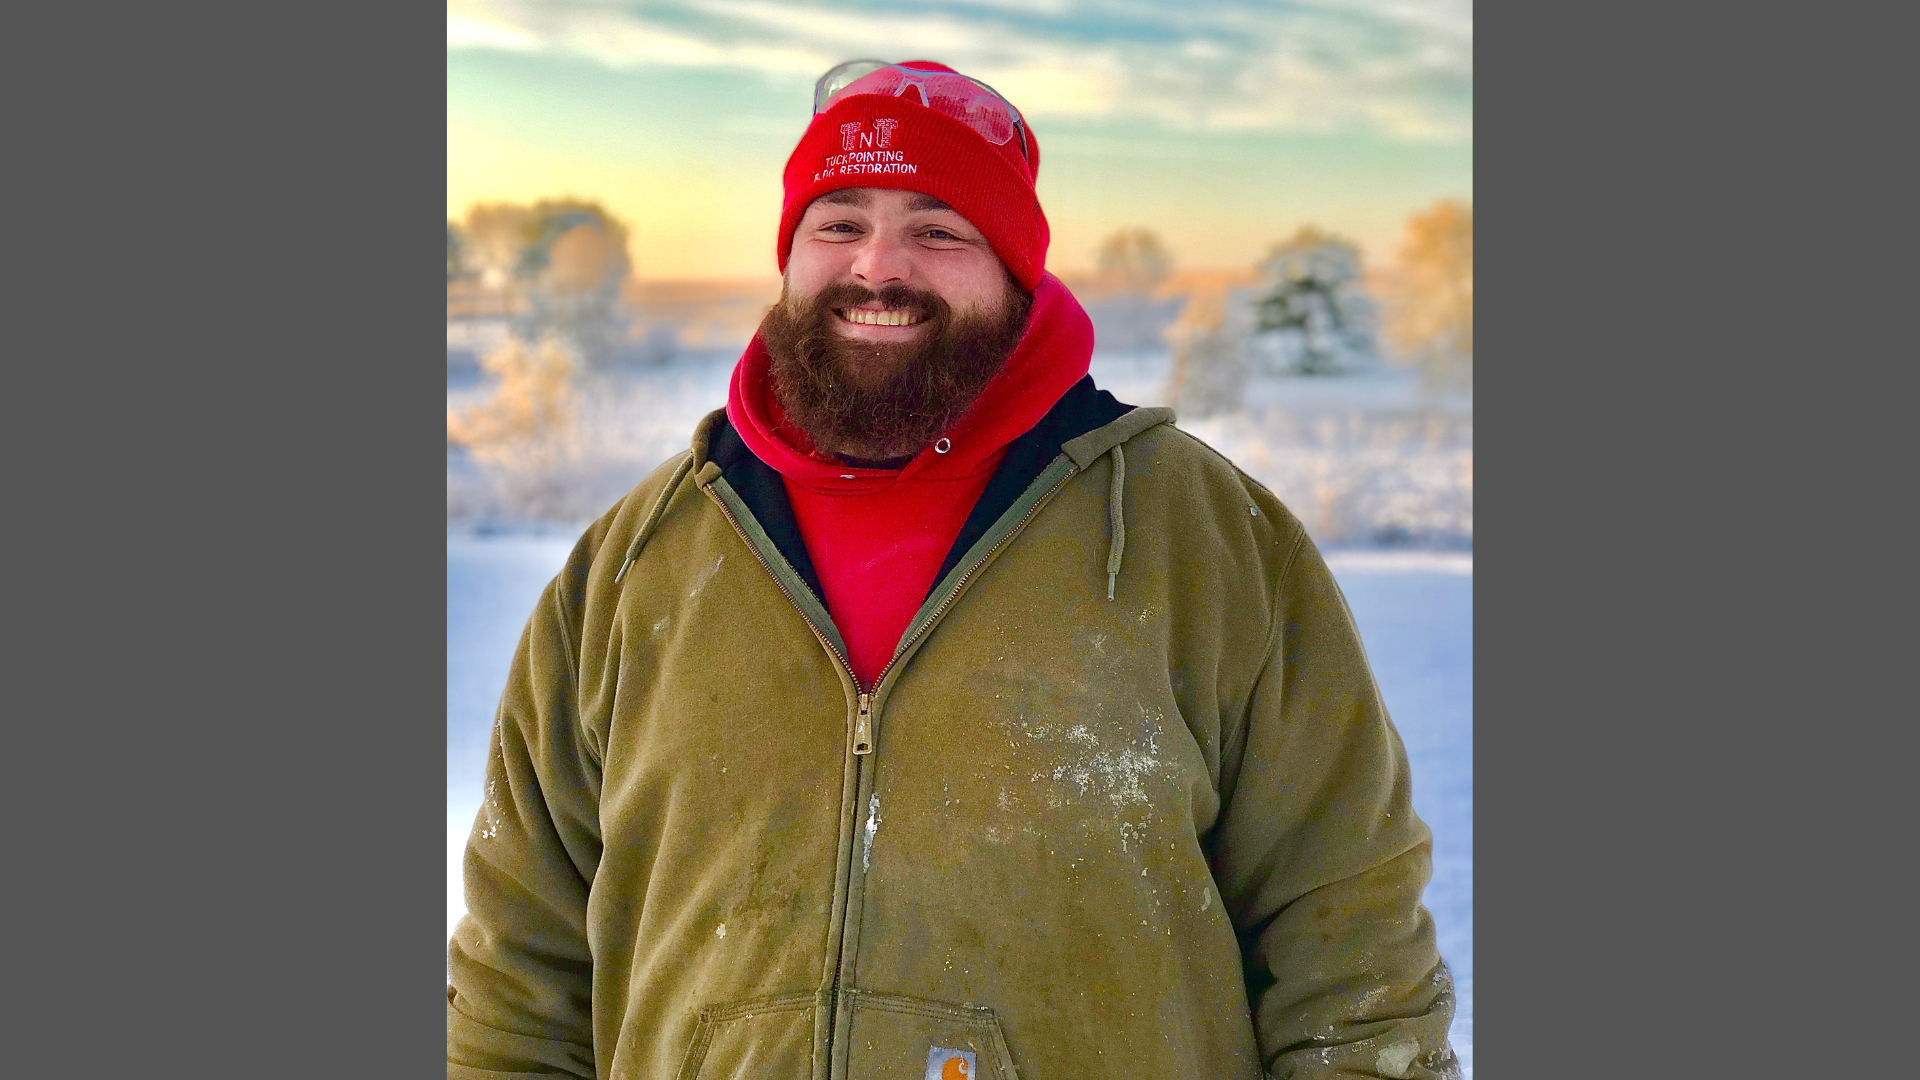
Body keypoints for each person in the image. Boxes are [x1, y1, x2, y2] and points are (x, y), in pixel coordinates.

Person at [448, 59, 1459, 1080]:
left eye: (938, 230)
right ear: (789, 257)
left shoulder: (1204, 541)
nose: (878, 269)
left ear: (1016, 273)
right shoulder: (636, 564)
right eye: (838, 223)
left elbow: (1355, 953)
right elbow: (515, 980)